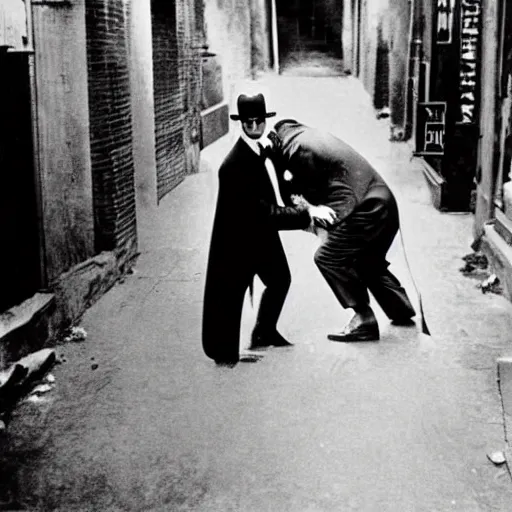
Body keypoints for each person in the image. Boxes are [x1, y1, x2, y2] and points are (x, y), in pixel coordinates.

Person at [202, 95, 337, 366]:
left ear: (265, 121)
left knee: (280, 279)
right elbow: (263, 212)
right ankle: (224, 356)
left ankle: (264, 331)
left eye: (259, 121)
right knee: (230, 294)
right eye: (248, 122)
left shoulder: (264, 148)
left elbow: (283, 179)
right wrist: (308, 213)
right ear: (241, 124)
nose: (254, 126)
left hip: (261, 235)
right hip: (238, 240)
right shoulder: (233, 165)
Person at [270, 119, 416, 342]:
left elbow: (341, 196)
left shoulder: (296, 151)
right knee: (365, 259)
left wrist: (326, 224)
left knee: (329, 257)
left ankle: (363, 319)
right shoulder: (305, 138)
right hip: (383, 204)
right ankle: (399, 307)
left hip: (367, 209)